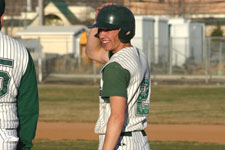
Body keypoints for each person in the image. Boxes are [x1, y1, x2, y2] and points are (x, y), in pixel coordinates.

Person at [86, 3, 151, 150]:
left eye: (108, 30)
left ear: (125, 30)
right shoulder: (139, 55)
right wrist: (98, 21)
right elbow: (92, 52)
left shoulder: (116, 67)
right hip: (140, 141)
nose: (101, 35)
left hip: (121, 142)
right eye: (100, 30)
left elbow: (117, 117)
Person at [0, 0, 39, 149]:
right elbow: (28, 106)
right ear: (2, 17)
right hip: (6, 134)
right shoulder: (20, 50)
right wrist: (25, 144)